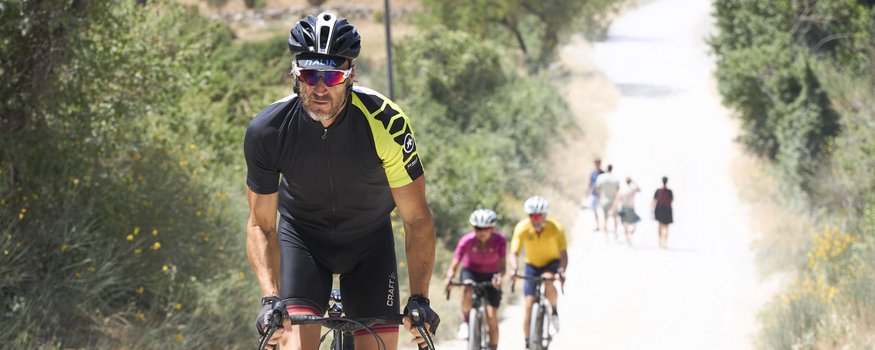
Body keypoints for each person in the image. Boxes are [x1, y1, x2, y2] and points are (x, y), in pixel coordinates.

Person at [244, 12, 439, 350]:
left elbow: (417, 219)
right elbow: (261, 224)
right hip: (303, 241)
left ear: (351, 76)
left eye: (332, 75)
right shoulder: (268, 131)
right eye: (310, 74)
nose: (320, 88)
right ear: (295, 73)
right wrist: (270, 297)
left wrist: (420, 297)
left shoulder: (386, 122)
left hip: (369, 244)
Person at [508, 196, 568, 347]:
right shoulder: (522, 228)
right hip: (532, 265)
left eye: (538, 216)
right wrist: (514, 269)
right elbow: (514, 253)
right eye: (532, 216)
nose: (535, 219)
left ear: (545, 215)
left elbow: (563, 253)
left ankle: (554, 311)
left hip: (551, 263)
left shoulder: (556, 228)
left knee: (547, 280)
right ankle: (528, 342)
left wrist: (561, 270)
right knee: (528, 305)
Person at [443, 209, 506, 350]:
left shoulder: (500, 240)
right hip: (471, 272)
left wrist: (499, 277)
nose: (482, 232)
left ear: (492, 228)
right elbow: (455, 264)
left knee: (491, 316)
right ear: (473, 227)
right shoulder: (466, 241)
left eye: (486, 229)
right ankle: (466, 321)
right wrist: (449, 277)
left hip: (491, 275)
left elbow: (503, 267)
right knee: (467, 287)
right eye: (478, 228)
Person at [613, 177, 641, 246]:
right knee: (634, 225)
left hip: (624, 208)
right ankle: (629, 238)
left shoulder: (622, 190)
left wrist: (613, 209)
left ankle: (627, 239)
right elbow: (639, 190)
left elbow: (618, 200)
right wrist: (634, 182)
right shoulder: (632, 190)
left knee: (625, 226)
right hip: (631, 208)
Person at [594, 164, 621, 238]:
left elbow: (597, 188)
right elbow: (618, 191)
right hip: (613, 201)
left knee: (605, 219)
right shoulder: (615, 178)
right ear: (612, 169)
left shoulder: (600, 177)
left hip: (604, 200)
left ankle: (606, 236)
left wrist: (601, 194)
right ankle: (615, 234)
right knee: (615, 218)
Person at [652, 176, 674, 249]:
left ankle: (660, 241)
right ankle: (665, 243)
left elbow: (654, 200)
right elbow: (671, 201)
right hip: (667, 210)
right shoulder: (669, 191)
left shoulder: (658, 191)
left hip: (659, 209)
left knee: (660, 226)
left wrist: (652, 210)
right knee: (666, 227)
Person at [584, 159, 604, 231]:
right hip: (594, 194)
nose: (597, 165)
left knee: (602, 210)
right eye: (596, 164)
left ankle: (604, 224)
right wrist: (587, 191)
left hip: (602, 195)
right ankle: (598, 225)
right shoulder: (592, 173)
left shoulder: (603, 173)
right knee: (594, 209)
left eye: (598, 164)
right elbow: (590, 182)